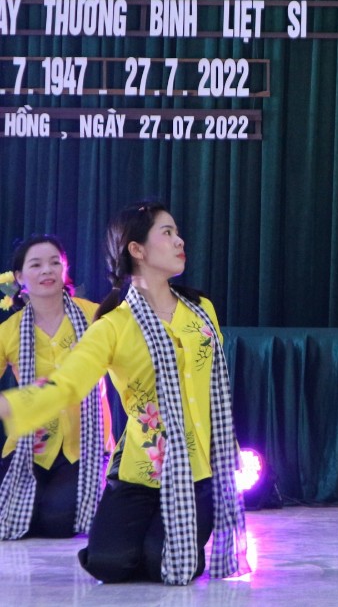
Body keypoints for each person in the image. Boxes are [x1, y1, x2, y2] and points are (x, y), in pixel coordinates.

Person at [0, 202, 247, 585]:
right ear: (137, 249)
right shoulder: (112, 325)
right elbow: (68, 383)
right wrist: (8, 405)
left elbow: (211, 390)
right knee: (107, 563)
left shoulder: (201, 311)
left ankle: (166, 541)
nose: (179, 241)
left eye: (177, 232)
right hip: (139, 470)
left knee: (163, 562)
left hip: (198, 470)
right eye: (167, 232)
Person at [0, 235, 106, 539]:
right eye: (36, 265)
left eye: (54, 263)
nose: (47, 270)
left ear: (64, 269)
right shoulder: (9, 331)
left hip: (83, 445)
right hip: (28, 445)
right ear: (20, 277)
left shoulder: (96, 316)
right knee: (13, 514)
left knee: (57, 521)